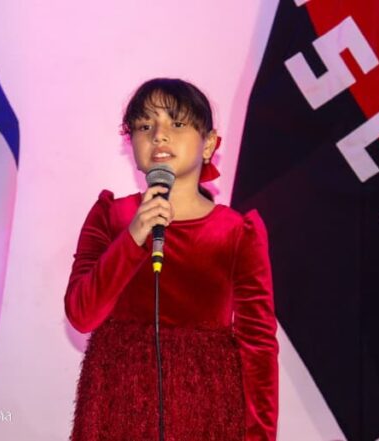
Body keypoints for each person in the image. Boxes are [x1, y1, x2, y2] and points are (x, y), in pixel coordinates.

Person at [65, 78, 279, 440]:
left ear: (208, 144)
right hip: (116, 405)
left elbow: (258, 346)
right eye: (144, 126)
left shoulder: (236, 232)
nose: (159, 136)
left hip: (206, 410)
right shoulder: (110, 217)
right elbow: (82, 314)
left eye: (177, 123)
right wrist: (133, 237)